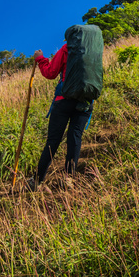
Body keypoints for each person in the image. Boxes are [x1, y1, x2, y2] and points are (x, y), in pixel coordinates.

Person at [29, 24, 104, 189]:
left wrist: (40, 59)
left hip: (64, 100)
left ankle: (36, 181)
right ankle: (68, 179)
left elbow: (50, 73)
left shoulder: (66, 48)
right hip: (85, 102)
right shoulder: (95, 51)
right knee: (75, 138)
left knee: (53, 140)